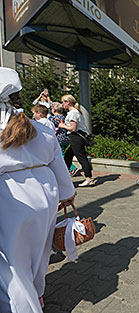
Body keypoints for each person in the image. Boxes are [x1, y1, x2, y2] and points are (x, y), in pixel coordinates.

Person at [0, 67, 76, 313]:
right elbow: (58, 165)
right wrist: (67, 194)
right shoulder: (41, 128)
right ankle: (38, 293)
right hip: (46, 195)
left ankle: (23, 305)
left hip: (11, 199)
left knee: (12, 263)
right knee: (39, 253)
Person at [58, 95, 96, 187]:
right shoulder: (74, 112)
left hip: (76, 137)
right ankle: (63, 178)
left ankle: (88, 178)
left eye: (63, 101)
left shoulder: (73, 113)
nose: (62, 104)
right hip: (75, 137)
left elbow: (73, 128)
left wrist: (63, 126)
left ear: (68, 102)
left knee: (81, 157)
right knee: (68, 156)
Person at [48, 102, 79, 176]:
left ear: (54, 110)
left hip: (59, 138)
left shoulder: (52, 118)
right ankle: (69, 168)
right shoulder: (64, 117)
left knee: (61, 155)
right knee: (64, 153)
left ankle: (71, 168)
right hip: (67, 138)